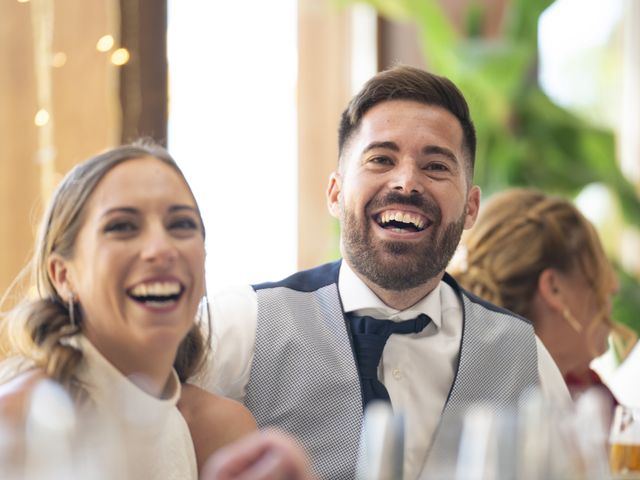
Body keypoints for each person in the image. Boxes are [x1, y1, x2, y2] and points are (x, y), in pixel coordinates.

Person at [194, 66, 571, 479]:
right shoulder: (242, 324)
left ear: (470, 208)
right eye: (381, 159)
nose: (407, 182)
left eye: (436, 167)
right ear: (336, 193)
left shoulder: (524, 356)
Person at [0, 143, 259, 478]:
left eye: (181, 224)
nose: (161, 249)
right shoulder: (18, 419)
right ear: (63, 276)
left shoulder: (222, 429)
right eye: (122, 227)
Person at [451, 188, 626, 406]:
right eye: (597, 267)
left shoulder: (585, 388)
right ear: (553, 288)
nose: (614, 286)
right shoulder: (481, 405)